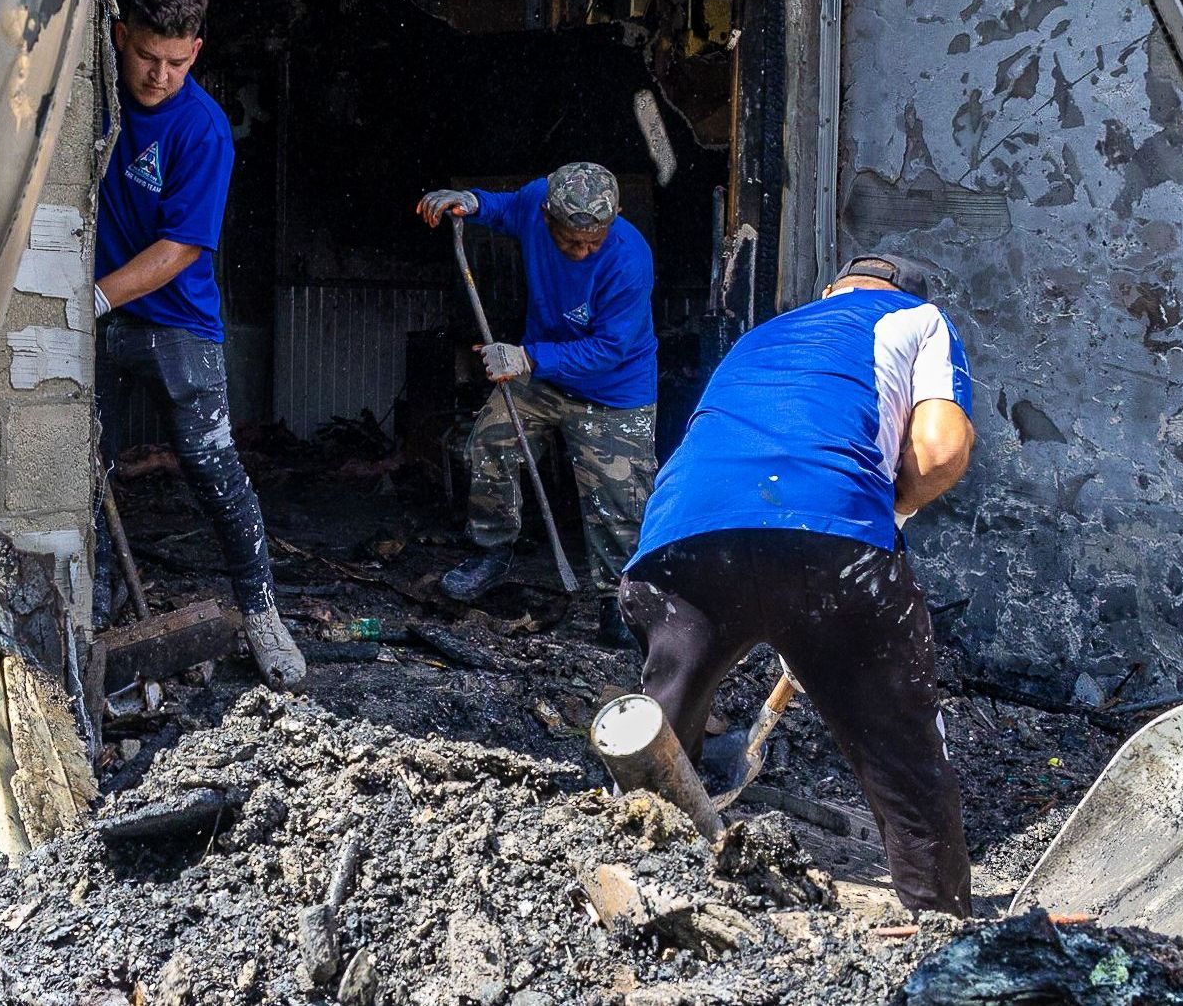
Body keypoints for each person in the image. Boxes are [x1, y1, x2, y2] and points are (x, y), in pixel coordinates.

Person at [619, 252, 976, 915]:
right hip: (826, 535)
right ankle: (940, 922)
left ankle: (647, 884)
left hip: (677, 537)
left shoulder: (763, 335)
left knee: (662, 730)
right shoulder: (918, 318)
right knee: (899, 742)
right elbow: (939, 449)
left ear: (831, 290)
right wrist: (883, 514)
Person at [93, 0, 305, 691]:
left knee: (214, 468)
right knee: (85, 469)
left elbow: (180, 247)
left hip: (176, 319)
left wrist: (90, 297)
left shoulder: (202, 127)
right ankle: (89, 614)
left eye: (177, 62)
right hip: (98, 314)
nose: (158, 75)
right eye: (147, 56)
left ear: (196, 51)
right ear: (120, 36)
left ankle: (261, 612)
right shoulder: (94, 94)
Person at [417, 163, 658, 646]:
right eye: (573, 241)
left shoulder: (629, 259)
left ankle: (619, 599)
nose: (584, 250)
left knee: (621, 502)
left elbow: (609, 349)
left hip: (614, 393)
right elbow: (505, 208)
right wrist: (472, 199)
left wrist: (525, 356)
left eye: (595, 240)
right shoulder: (534, 202)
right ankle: (491, 549)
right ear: (548, 216)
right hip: (542, 377)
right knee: (489, 443)